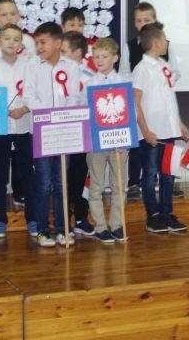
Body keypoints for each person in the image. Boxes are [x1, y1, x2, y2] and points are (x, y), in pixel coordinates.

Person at [119, 2, 182, 200]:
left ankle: (168, 181)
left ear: (155, 21)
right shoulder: (130, 47)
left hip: (160, 104)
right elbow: (123, 73)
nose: (142, 24)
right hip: (140, 102)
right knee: (139, 145)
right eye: (138, 21)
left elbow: (175, 71)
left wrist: (161, 80)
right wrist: (139, 82)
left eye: (147, 20)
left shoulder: (165, 47)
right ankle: (134, 182)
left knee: (165, 146)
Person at [133, 22, 189, 234]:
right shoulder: (141, 69)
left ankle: (167, 213)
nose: (167, 42)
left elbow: (169, 99)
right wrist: (145, 130)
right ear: (156, 42)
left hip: (169, 130)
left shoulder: (164, 66)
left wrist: (179, 124)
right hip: (152, 133)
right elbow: (135, 102)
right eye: (164, 39)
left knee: (168, 174)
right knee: (150, 175)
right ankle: (153, 215)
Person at [26, 22, 80, 247]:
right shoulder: (32, 66)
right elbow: (29, 96)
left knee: (61, 182)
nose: (39, 47)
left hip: (64, 132)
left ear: (58, 43)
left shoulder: (71, 67)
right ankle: (42, 229)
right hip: (41, 131)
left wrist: (63, 117)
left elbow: (74, 96)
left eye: (43, 42)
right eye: (37, 43)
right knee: (44, 182)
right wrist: (48, 115)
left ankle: (61, 227)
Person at [0, 24, 36, 239]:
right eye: (7, 38)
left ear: (21, 44)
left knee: (27, 175)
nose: (11, 42)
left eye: (16, 39)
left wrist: (24, 109)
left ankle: (33, 218)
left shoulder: (29, 67)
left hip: (23, 127)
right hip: (0, 129)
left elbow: (35, 94)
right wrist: (2, 111)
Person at [84, 37, 129, 244]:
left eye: (104, 57)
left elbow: (128, 113)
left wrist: (124, 139)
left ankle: (117, 224)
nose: (99, 60)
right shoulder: (89, 84)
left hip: (119, 141)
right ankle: (100, 226)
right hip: (96, 143)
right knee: (97, 184)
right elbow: (86, 113)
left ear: (115, 58)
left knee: (118, 184)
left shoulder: (123, 82)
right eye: (96, 57)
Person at [61, 30, 95, 237]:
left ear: (77, 52)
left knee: (82, 177)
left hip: (83, 136)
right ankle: (64, 220)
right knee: (63, 178)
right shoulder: (57, 74)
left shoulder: (90, 76)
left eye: (64, 51)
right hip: (62, 135)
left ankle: (81, 217)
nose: (60, 55)